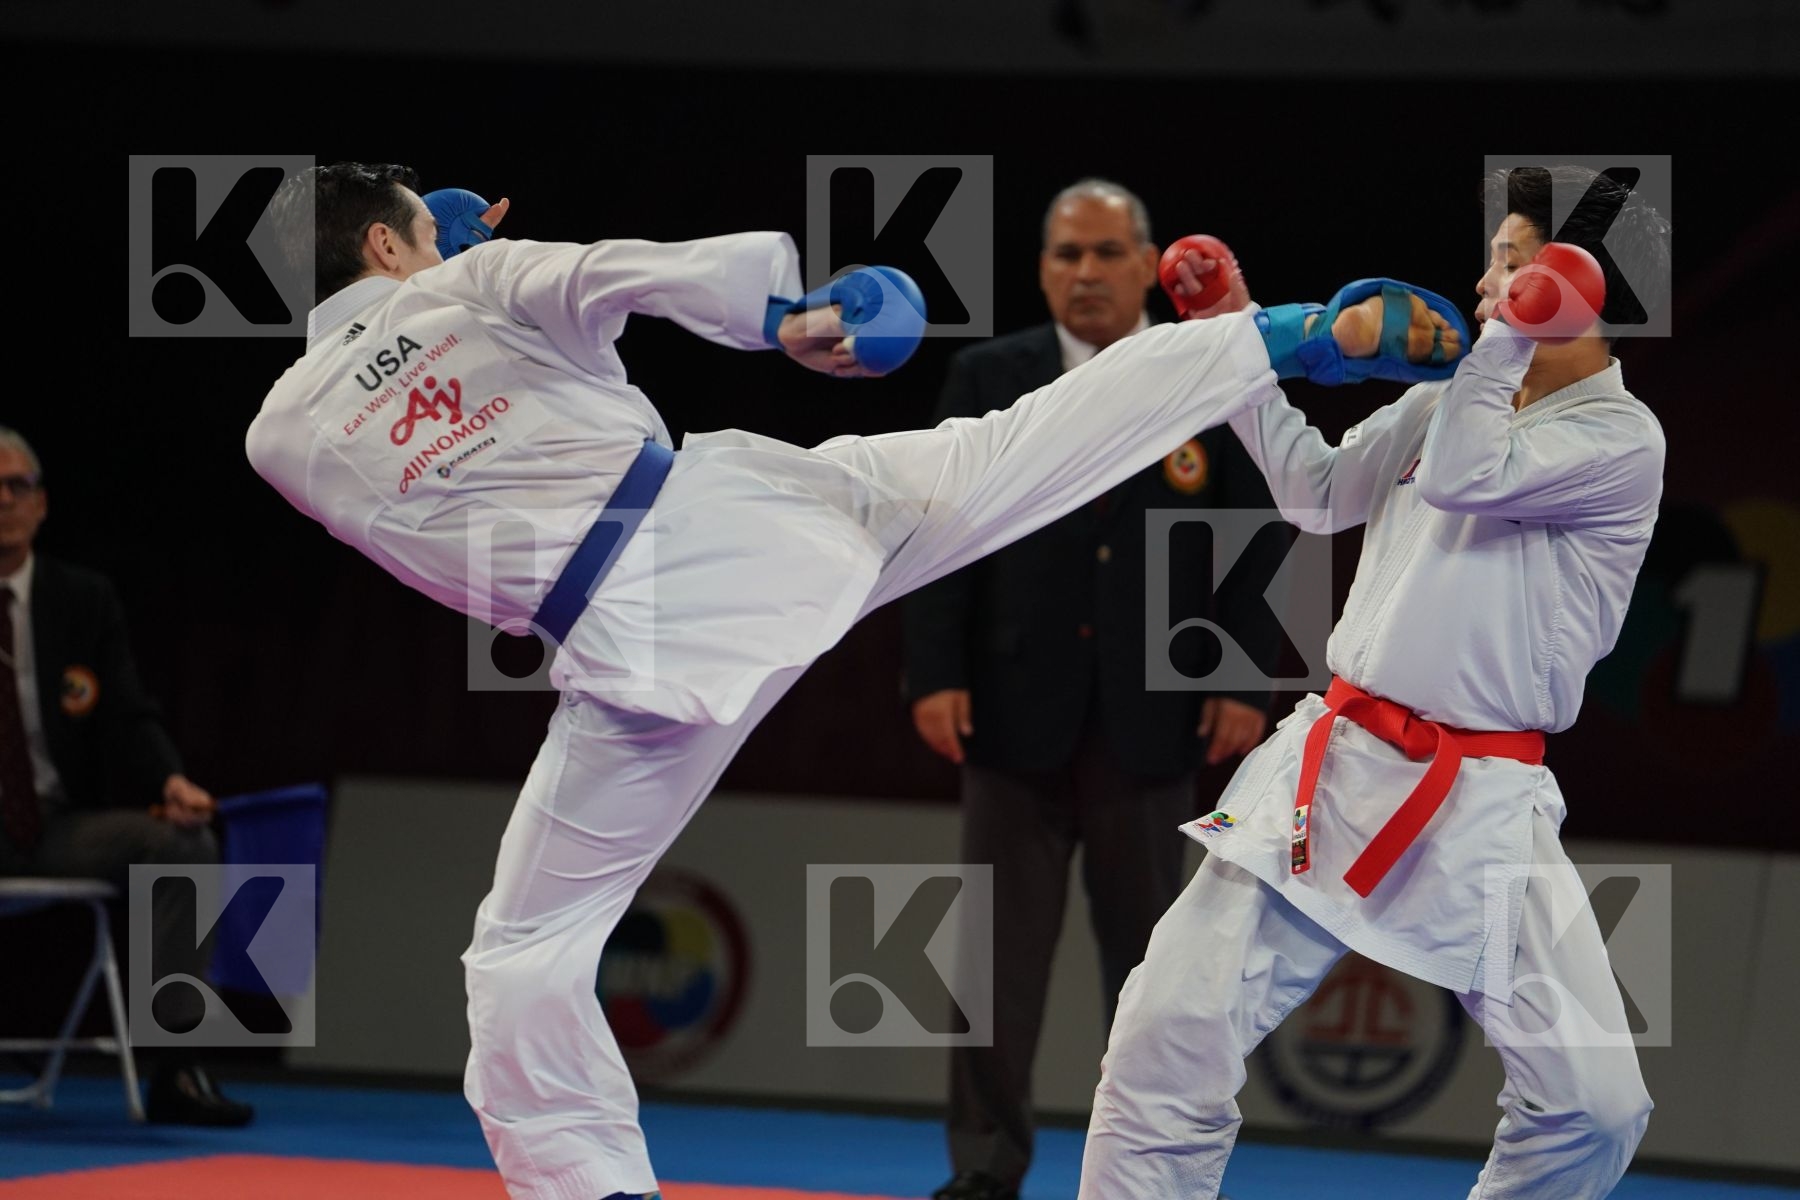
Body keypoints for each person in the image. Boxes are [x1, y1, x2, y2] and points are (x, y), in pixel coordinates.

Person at [249, 161, 1462, 1200]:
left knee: (523, 953)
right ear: (382, 242)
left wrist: (441, 262)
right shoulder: (474, 282)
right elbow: (630, 273)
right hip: (743, 531)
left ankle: (593, 1186)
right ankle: (1287, 334)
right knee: (1006, 452)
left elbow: (424, 390)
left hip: (632, 662)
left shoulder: (279, 437)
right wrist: (788, 317)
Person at [1079, 164, 1671, 1199]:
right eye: (1495, 264)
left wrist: (1499, 347)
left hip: (1480, 797)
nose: (1491, 287)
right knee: (1164, 1032)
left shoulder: (1621, 440)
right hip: (1332, 768)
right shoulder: (1452, 396)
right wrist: (1236, 331)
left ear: (1585, 292)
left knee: (1594, 1105)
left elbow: (1464, 476)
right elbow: (1315, 493)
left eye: (1519, 266)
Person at [904, 180, 1280, 1200]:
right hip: (1010, 710)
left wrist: (1242, 673)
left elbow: (1263, 532)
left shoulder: (1209, 371)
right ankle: (984, 1171)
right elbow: (933, 532)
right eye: (1068, 254)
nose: (1087, 273)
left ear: (1149, 263)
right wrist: (933, 670)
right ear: (1042, 268)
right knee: (991, 975)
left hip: (1157, 722)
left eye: (1109, 253)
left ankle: (1149, 1177)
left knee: (1158, 979)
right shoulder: (991, 375)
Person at [0, 426, 253, 1127]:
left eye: (15, 486)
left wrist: (170, 780)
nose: (2, 501)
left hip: (51, 827)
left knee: (180, 845)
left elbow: (127, 714)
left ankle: (178, 1065)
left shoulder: (81, 600)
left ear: (41, 504)